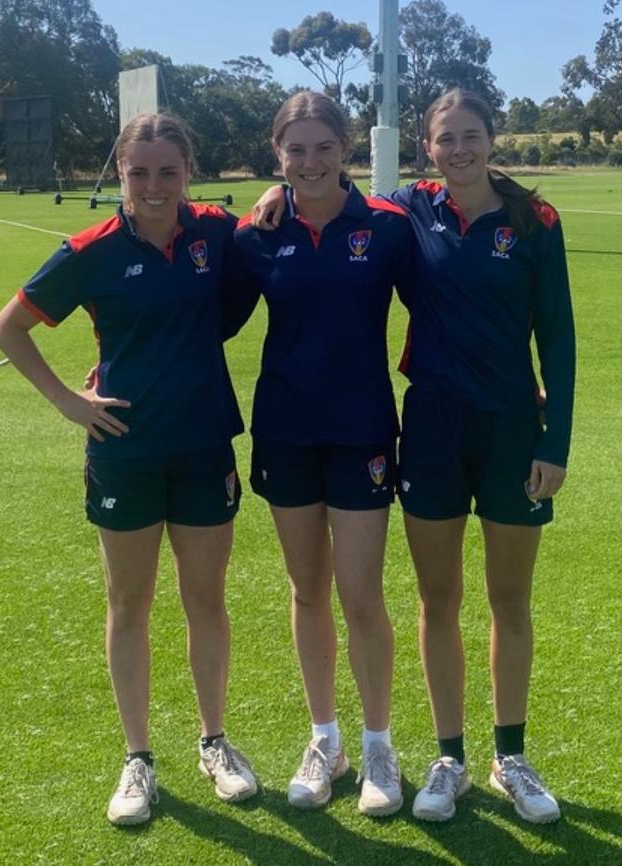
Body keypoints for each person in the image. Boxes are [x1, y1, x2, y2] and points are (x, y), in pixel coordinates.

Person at [252, 88, 575, 825]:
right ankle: (451, 759)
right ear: (426, 147)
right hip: (429, 425)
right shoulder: (409, 211)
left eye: (471, 135)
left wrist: (554, 442)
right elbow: (330, 193)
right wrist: (281, 186)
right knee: (439, 599)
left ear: (493, 138)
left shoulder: (534, 219)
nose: (458, 149)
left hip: (513, 431)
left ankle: (511, 757)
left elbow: (556, 335)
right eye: (445, 138)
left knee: (509, 600)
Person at [0, 113, 258, 826]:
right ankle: (138, 759)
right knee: (129, 607)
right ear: (120, 172)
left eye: (167, 170)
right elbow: (7, 328)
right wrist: (69, 402)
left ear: (187, 171)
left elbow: (272, 226)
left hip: (203, 445)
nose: (151, 185)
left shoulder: (214, 233)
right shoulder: (91, 250)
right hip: (124, 452)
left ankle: (215, 742)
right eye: (138, 171)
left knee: (206, 602)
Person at [233, 91, 412, 817]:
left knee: (361, 594)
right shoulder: (255, 234)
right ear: (279, 154)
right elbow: (192, 313)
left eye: (323, 148)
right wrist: (106, 361)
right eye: (295, 151)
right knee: (307, 591)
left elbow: (450, 300)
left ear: (347, 149)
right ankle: (326, 740)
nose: (310, 162)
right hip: (285, 429)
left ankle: (377, 747)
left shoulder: (388, 227)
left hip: (364, 429)